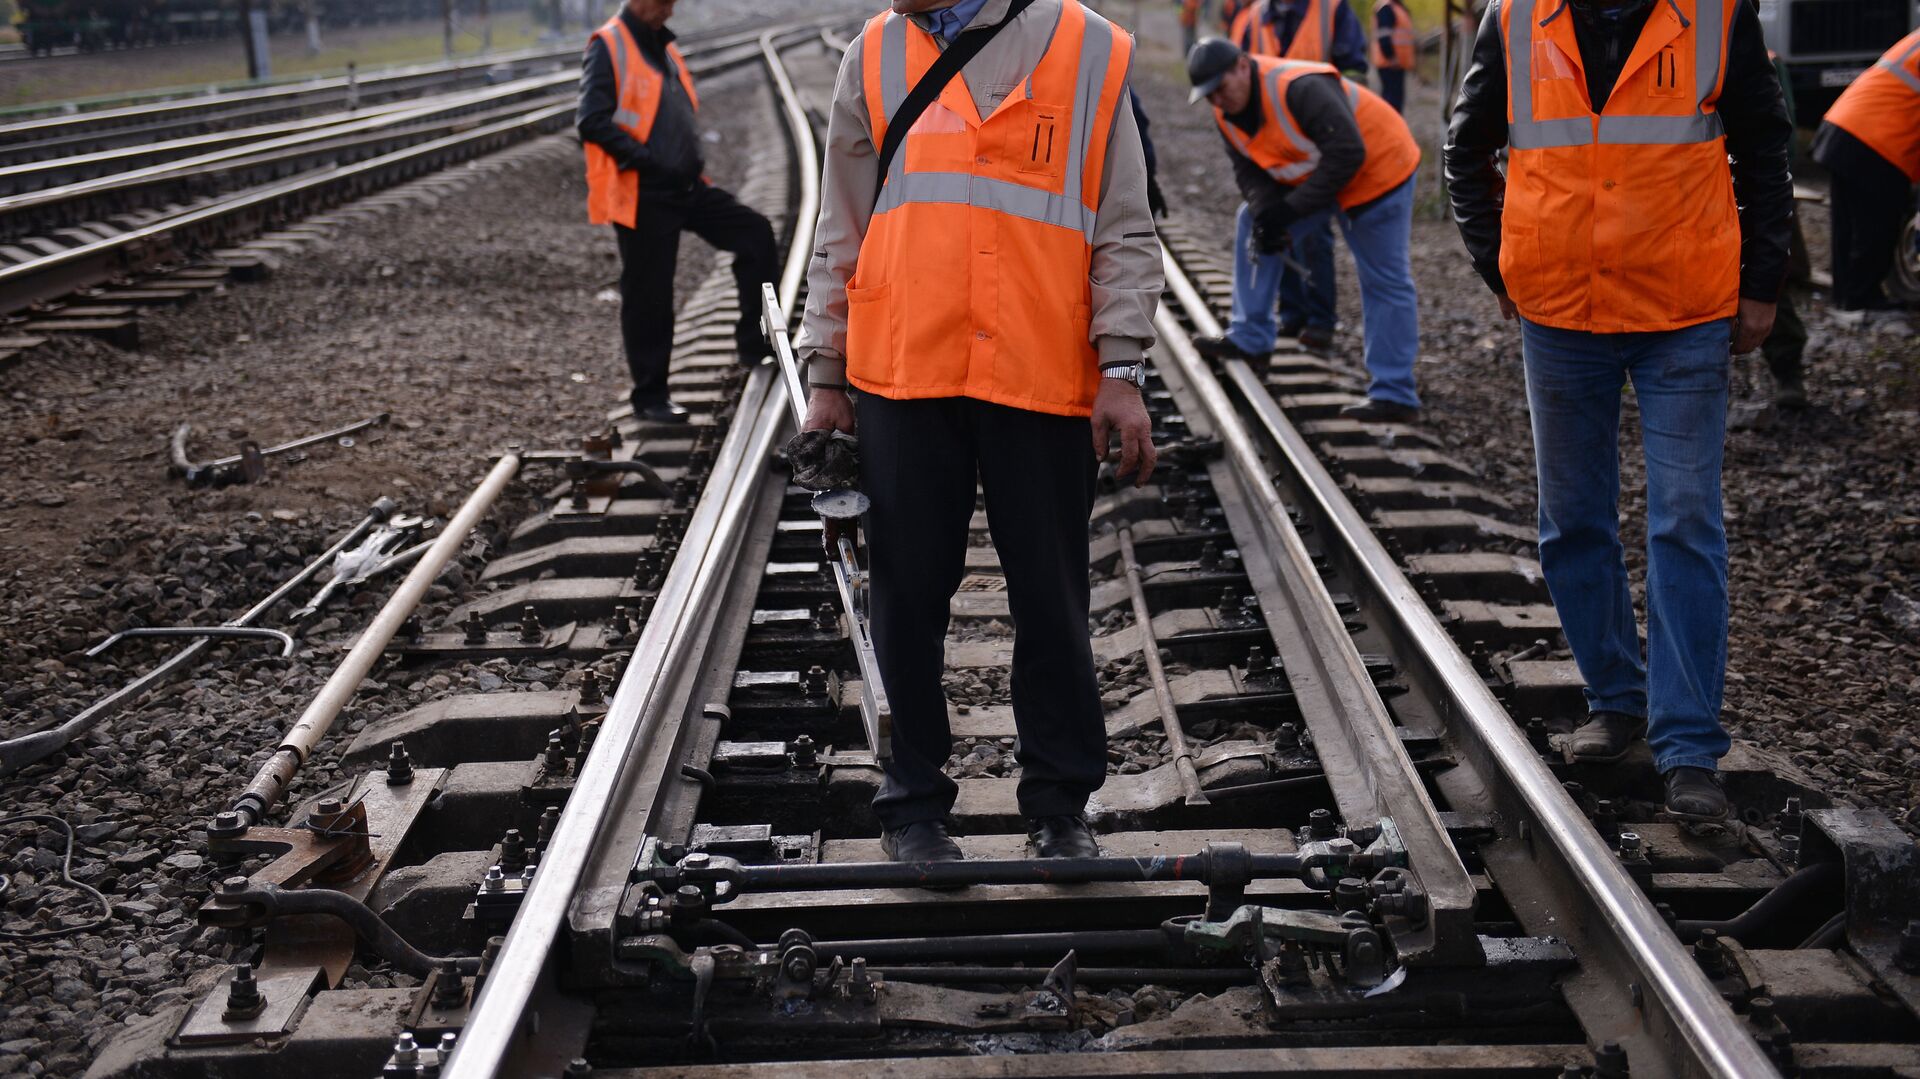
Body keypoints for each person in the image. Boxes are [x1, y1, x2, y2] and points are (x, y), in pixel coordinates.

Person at [795, 0, 1163, 864]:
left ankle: (1060, 803)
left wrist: (1124, 367)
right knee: (906, 598)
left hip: (1038, 370)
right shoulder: (873, 54)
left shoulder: (1090, 50)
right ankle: (913, 804)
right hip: (903, 368)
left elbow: (1124, 225)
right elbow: (838, 228)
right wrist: (825, 373)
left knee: (1050, 595)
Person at [1445, 0, 1794, 819]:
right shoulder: (1516, 16)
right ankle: (1617, 699)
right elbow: (1466, 148)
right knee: (1571, 519)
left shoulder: (1715, 15)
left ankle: (1687, 746)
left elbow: (1765, 143)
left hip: (1686, 310)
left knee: (1683, 518)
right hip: (1562, 311)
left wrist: (1762, 280)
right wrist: (1500, 267)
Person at [1188, 38, 1422, 420]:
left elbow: (1348, 152)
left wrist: (1290, 210)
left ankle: (1395, 393)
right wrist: (1269, 212)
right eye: (1209, 94)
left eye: (1221, 88)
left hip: (1380, 168)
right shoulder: (1224, 113)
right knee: (1252, 221)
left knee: (1384, 279)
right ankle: (1251, 338)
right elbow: (1247, 169)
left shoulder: (1299, 87)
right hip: (1321, 173)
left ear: (1243, 66)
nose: (1218, 100)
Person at [577, 0, 779, 424]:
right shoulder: (609, 44)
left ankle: (754, 346)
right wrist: (648, 161)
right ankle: (650, 397)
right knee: (649, 295)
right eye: (664, 3)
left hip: (686, 187)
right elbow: (591, 121)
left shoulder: (660, 45)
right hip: (644, 192)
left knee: (755, 233)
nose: (669, 11)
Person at [1229, 0, 1369, 352]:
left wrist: (1341, 111)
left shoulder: (1331, 10)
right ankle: (1292, 314)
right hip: (1274, 140)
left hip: (1324, 138)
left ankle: (1321, 321)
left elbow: (1355, 69)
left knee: (1316, 234)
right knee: (1273, 222)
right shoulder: (1257, 16)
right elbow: (1238, 71)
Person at [1812, 28, 1919, 329]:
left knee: (1850, 225)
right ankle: (1862, 302)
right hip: (1877, 138)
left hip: (1845, 125)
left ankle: (1847, 302)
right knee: (1875, 227)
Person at [1372, 0, 1415, 114]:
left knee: (1395, 100)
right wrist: (1391, 57)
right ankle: (1389, 129)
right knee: (1392, 102)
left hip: (1396, 64)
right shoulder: (1387, 8)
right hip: (1390, 64)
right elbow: (1384, 36)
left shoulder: (1397, 8)